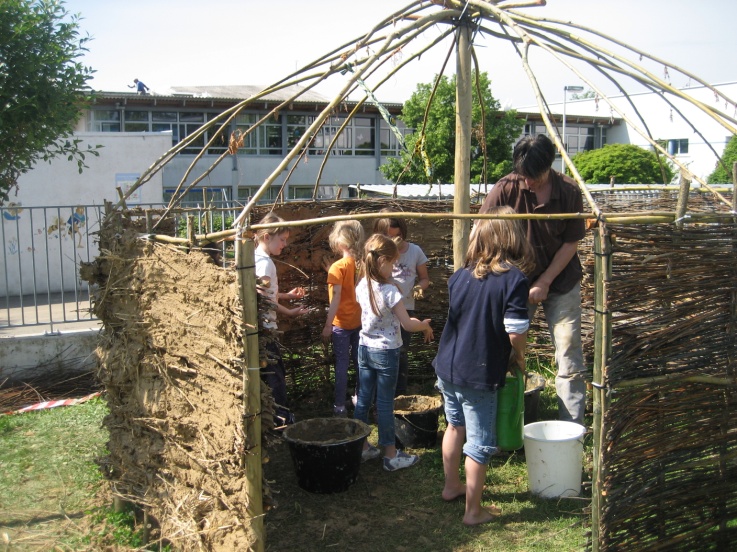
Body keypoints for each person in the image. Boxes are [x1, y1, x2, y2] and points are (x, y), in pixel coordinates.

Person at [433, 207, 535, 526]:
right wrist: (520, 356)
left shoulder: (460, 275)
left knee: (453, 427)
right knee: (479, 444)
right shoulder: (514, 279)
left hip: (447, 367)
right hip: (477, 374)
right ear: (511, 236)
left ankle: (452, 487)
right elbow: (516, 330)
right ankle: (473, 511)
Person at [479, 134, 588, 425]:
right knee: (506, 348)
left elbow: (571, 242)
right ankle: (504, 418)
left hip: (561, 281)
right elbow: (481, 228)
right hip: (514, 284)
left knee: (568, 350)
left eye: (535, 177)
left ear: (549, 167)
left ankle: (572, 427)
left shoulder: (567, 191)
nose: (528, 182)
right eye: (523, 175)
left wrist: (545, 281)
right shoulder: (505, 187)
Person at [354, 234, 434, 471]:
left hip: (365, 348)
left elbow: (383, 317)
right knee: (385, 403)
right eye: (393, 263)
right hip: (387, 352)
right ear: (382, 262)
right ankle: (390, 454)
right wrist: (424, 325)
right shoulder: (390, 291)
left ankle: (361, 446)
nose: (395, 268)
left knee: (364, 398)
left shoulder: (362, 285)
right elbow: (407, 325)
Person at [254, 212, 308, 427]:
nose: (285, 245)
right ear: (267, 237)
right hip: (267, 328)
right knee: (275, 376)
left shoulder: (256, 258)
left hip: (264, 327)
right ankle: (281, 420)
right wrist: (290, 312)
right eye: (282, 240)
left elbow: (265, 294)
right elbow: (263, 300)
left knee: (273, 373)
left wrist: (287, 296)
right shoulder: (265, 263)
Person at [373, 210, 430, 396]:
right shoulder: (376, 253)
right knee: (382, 350)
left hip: (405, 308)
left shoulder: (414, 251)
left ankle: (400, 393)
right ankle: (382, 392)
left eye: (396, 236)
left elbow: (424, 279)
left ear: (402, 232)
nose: (393, 240)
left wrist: (419, 288)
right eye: (388, 236)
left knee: (402, 351)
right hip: (381, 309)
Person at [322, 220, 364, 417]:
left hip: (340, 325)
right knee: (360, 362)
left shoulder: (337, 268)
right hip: (360, 322)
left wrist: (327, 325)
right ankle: (359, 399)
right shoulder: (362, 265)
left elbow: (336, 298)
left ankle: (339, 405)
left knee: (341, 365)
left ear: (339, 243)